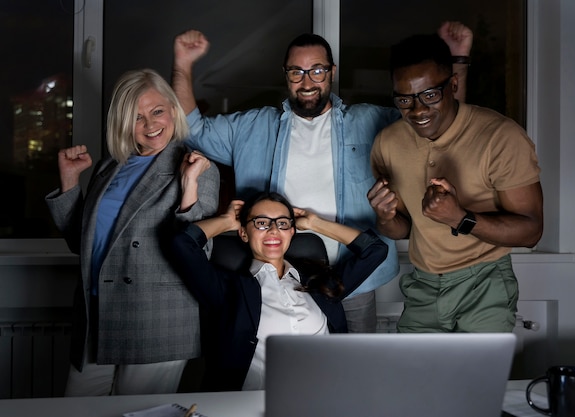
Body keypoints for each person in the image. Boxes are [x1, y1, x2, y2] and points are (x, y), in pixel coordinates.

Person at [171, 22, 473, 333]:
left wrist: (458, 61)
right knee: (277, 371)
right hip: (274, 282)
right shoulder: (252, 126)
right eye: (296, 72)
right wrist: (183, 62)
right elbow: (192, 129)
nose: (307, 81)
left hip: (351, 278)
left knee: (353, 373)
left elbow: (439, 122)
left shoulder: (370, 122)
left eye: (317, 70)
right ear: (285, 74)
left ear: (332, 71)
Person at [45, 69, 220, 396]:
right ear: (123, 123)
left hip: (155, 317)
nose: (151, 124)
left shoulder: (196, 165)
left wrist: (190, 183)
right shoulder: (109, 167)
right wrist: (70, 182)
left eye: (157, 111)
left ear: (172, 109)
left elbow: (197, 252)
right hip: (97, 313)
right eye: (137, 117)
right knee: (75, 409)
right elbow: (80, 244)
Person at [367, 33, 543, 333]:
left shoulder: (501, 137)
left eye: (430, 95)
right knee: (413, 380)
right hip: (423, 285)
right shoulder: (387, 143)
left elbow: (531, 231)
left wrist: (460, 218)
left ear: (454, 85)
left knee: (477, 380)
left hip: (484, 284)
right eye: (405, 99)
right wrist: (385, 217)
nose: (418, 110)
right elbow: (404, 227)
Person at [169, 192, 388, 391]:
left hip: (327, 396)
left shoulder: (320, 284)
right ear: (243, 233)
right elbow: (181, 243)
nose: (274, 230)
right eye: (261, 223)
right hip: (257, 403)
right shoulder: (228, 290)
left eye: (282, 223)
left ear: (292, 232)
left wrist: (316, 223)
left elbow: (374, 250)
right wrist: (226, 222)